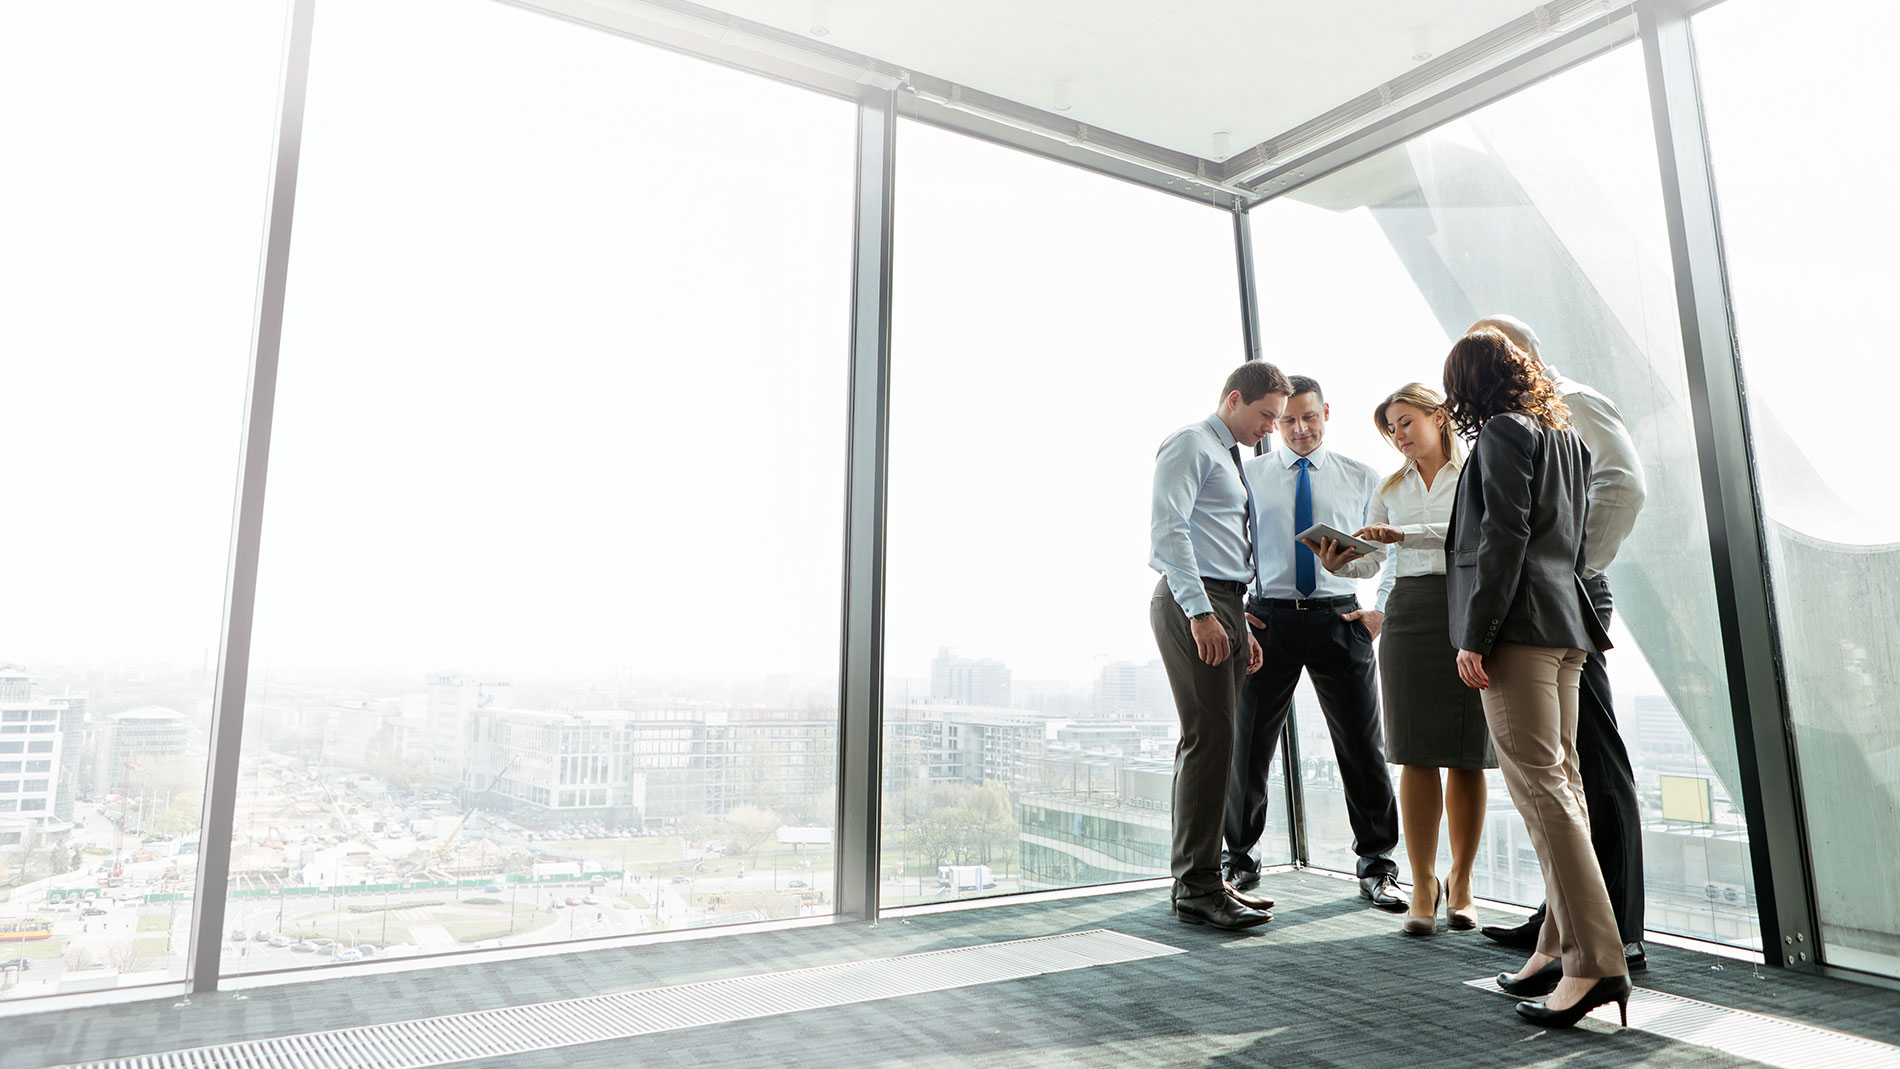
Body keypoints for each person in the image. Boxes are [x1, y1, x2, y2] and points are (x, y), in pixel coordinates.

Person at [1443, 329, 1629, 1028]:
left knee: (1543, 791)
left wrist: (1475, 632)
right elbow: (1571, 542)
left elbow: (1504, 537)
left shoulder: (1498, 433)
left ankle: (1592, 962)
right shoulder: (1565, 439)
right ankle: (1554, 948)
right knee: (1565, 784)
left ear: (1467, 385)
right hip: (1566, 626)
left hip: (1517, 629)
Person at [1224, 375, 1405, 912]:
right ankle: (1239, 857)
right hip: (1267, 620)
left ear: (1326, 412)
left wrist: (1380, 613)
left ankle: (1377, 864)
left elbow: (1390, 552)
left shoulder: (1361, 477)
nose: (1300, 430)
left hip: (1339, 617)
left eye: (1309, 417)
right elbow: (1229, 547)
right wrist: (1235, 610)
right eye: (1287, 421)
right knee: (1248, 745)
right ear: (1274, 421)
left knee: (1362, 744)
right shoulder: (1247, 476)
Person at [1150, 359, 1291, 930]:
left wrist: (1238, 624)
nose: (1271, 429)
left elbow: (1225, 537)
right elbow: (1169, 529)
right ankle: (1197, 888)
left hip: (1227, 603)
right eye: (1265, 416)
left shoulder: (1229, 457)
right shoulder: (1191, 444)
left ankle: (1206, 878)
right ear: (1234, 399)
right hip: (1196, 602)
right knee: (1209, 741)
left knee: (1218, 742)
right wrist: (1204, 613)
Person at [1353, 384, 1492, 935]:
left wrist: (1403, 533)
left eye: (1406, 421)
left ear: (1438, 417)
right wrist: (1342, 560)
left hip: (1466, 609)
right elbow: (1371, 563)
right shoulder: (1388, 487)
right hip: (1409, 612)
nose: (1399, 435)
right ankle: (1422, 883)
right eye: (1391, 427)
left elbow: (1476, 537)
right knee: (1414, 753)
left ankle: (1462, 881)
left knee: (1466, 752)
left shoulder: (1475, 473)